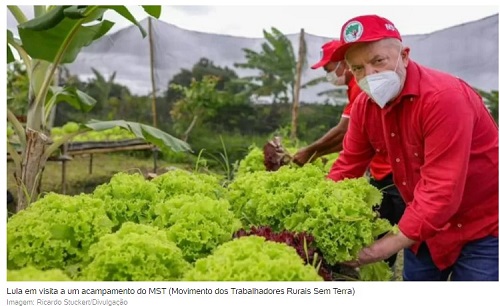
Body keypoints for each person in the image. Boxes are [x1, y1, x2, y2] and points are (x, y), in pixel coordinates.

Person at [327, 14, 498, 281]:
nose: (369, 75)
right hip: (424, 230)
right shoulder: (364, 107)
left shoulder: (443, 99)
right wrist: (319, 210)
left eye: (378, 61)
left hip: (480, 228)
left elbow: (442, 188)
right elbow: (349, 164)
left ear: (404, 56)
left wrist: (380, 248)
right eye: (358, 68)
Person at [293, 39, 406, 269]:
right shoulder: (357, 87)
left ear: (341, 65)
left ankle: (382, 266)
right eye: (358, 67)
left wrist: (309, 152)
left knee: (395, 232)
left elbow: (343, 131)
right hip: (380, 171)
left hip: (395, 172)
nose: (328, 75)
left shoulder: (364, 85)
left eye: (328, 69)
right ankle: (382, 267)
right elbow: (352, 148)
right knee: (385, 226)